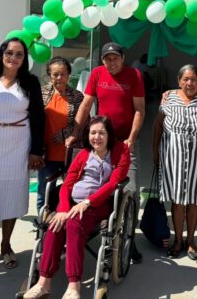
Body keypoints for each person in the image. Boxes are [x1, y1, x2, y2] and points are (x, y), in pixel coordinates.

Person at [24, 116, 131, 299]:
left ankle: (74, 285)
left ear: (109, 135)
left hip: (98, 204)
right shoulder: (83, 154)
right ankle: (43, 282)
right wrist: (63, 209)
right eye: (93, 133)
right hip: (72, 203)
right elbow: (67, 184)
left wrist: (87, 202)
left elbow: (113, 183)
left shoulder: (121, 151)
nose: (97, 137)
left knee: (73, 224)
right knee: (55, 225)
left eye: (101, 133)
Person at [66, 42, 145, 263]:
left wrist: (131, 138)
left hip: (126, 142)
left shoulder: (134, 75)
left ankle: (129, 239)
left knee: (130, 190)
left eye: (115, 58)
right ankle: (107, 230)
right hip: (101, 142)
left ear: (123, 58)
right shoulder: (97, 74)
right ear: (102, 60)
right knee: (99, 185)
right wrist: (75, 133)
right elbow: (85, 105)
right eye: (107, 58)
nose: (112, 62)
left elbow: (140, 110)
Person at [0, 38, 45, 270]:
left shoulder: (31, 82)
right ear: (1, 54)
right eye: (9, 53)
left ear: (24, 59)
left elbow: (38, 116)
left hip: (19, 144)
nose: (13, 58)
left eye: (19, 54)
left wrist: (36, 150)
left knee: (12, 193)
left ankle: (6, 244)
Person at [152, 65, 197, 260]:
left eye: (193, 79)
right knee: (177, 202)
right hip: (173, 160)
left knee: (193, 201)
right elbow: (158, 126)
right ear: (179, 81)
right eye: (185, 79)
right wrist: (155, 152)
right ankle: (178, 239)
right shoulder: (169, 99)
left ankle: (190, 240)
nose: (189, 83)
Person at [38, 56, 84, 215]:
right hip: (46, 153)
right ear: (49, 75)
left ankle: (67, 220)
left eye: (63, 74)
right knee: (44, 191)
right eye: (55, 74)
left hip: (70, 154)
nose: (59, 78)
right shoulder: (41, 93)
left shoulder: (77, 96)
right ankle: (43, 222)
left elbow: (83, 123)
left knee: (72, 191)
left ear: (69, 75)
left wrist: (65, 133)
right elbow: (34, 119)